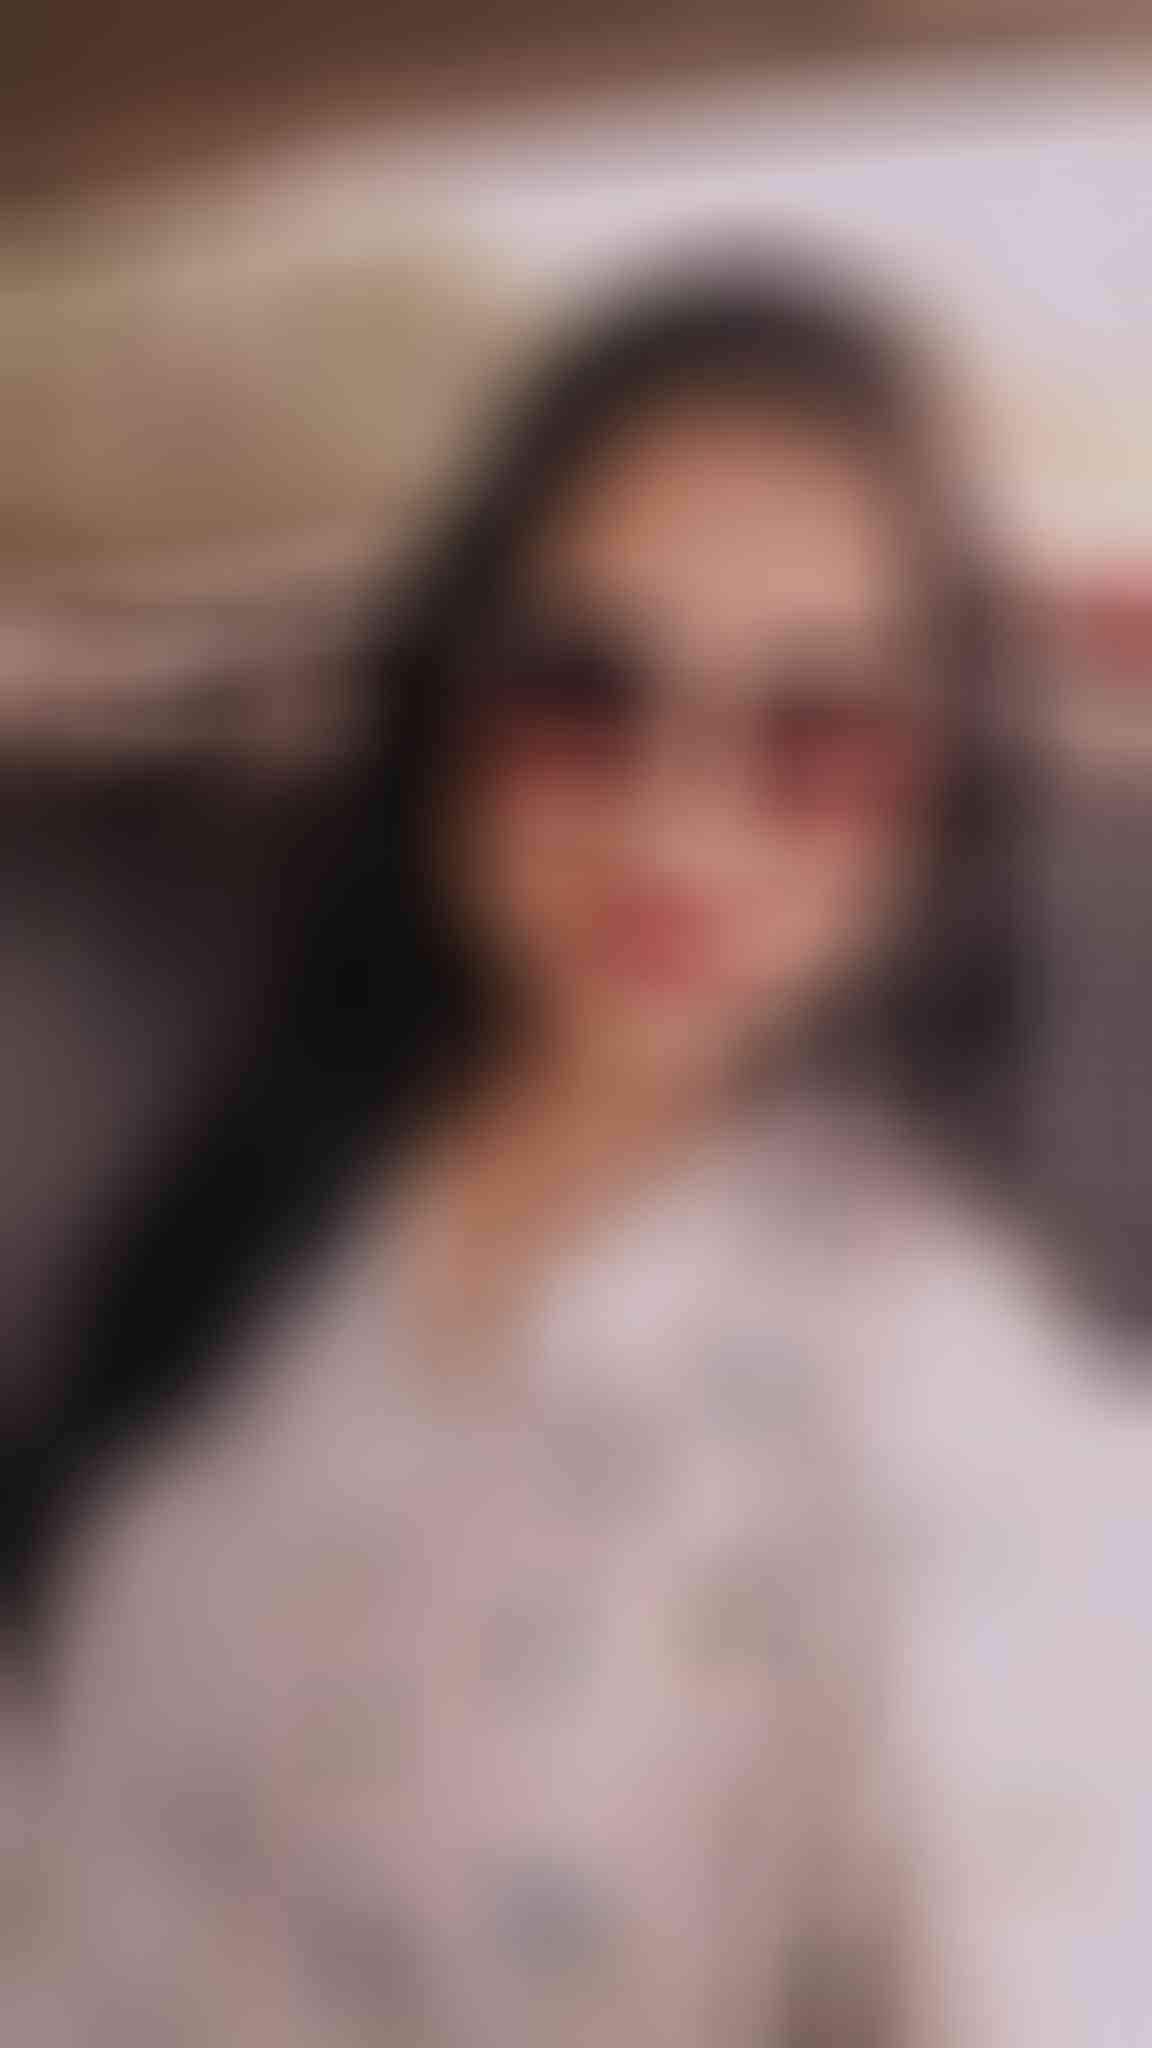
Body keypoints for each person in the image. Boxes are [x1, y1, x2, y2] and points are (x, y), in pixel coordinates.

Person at [14, 262, 1120, 2046]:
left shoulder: (959, 1428)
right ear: (452, 702)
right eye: (580, 693)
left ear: (932, 805)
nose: (674, 825)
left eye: (814, 739)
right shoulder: (277, 1176)